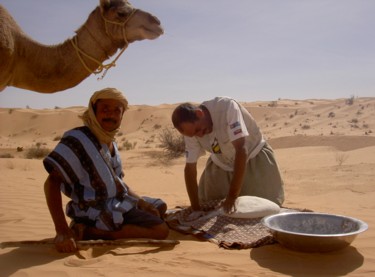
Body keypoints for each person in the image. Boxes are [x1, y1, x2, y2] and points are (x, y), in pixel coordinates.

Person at [43, 88, 169, 253]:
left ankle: (102, 226)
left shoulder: (111, 141)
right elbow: (51, 182)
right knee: (161, 230)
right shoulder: (77, 139)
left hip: (117, 200)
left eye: (117, 110)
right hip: (94, 208)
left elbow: (118, 183)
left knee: (159, 207)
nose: (111, 115)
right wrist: (61, 230)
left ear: (122, 115)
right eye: (105, 109)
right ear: (93, 111)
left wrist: (142, 203)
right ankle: (90, 232)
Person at [171, 96, 284, 217]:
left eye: (199, 129)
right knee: (214, 209)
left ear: (199, 114)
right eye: (194, 134)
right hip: (222, 163)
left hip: (253, 158)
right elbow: (190, 169)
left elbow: (241, 149)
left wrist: (232, 196)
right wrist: (195, 208)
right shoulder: (192, 132)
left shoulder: (227, 108)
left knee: (264, 209)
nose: (199, 135)